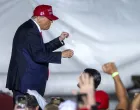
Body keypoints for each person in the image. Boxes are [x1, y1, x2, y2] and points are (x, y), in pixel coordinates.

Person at [6, 4, 74, 105]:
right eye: (49, 19)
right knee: (24, 107)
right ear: (39, 17)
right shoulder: (30, 30)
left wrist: (59, 40)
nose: (51, 22)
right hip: (26, 85)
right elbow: (38, 55)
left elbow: (38, 50)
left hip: (28, 82)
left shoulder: (30, 28)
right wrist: (61, 55)